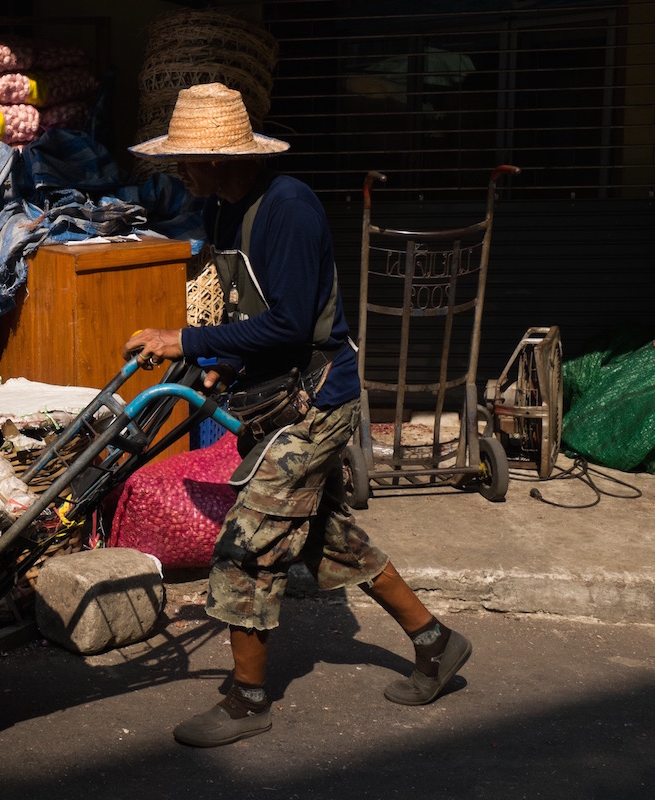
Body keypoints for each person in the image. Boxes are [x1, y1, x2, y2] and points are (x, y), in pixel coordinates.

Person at [123, 83, 471, 748]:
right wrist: (217, 359)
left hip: (313, 402)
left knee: (248, 545)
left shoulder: (287, 208)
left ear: (223, 158)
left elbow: (287, 324)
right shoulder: (224, 212)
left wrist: (185, 341)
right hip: (273, 398)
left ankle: (248, 701)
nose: (183, 173)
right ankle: (436, 642)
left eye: (189, 160)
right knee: (323, 538)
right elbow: (246, 313)